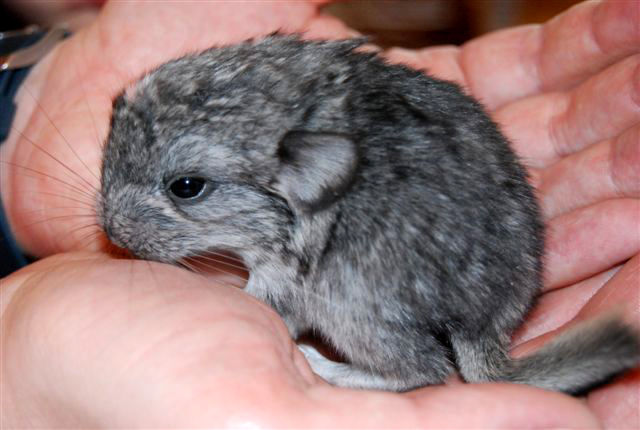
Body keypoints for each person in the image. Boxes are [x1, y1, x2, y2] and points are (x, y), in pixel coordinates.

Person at [1, 0, 637, 427]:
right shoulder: (270, 109)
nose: (120, 224)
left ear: (305, 172)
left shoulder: (318, 177)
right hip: (501, 276)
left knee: (351, 265)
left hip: (422, 273)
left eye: (186, 188)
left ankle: (398, 371)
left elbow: (287, 270)